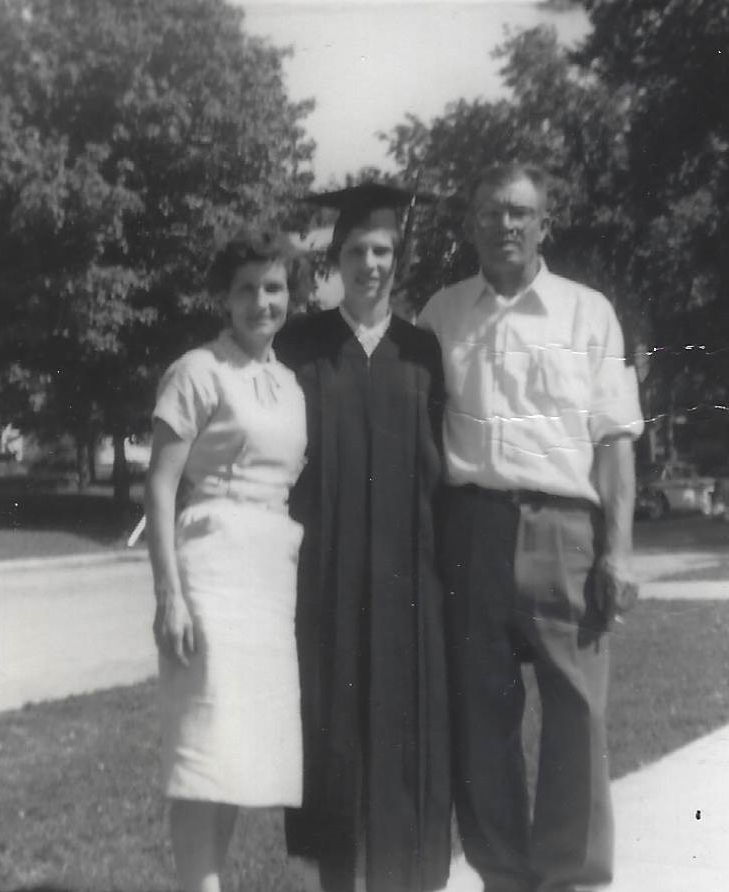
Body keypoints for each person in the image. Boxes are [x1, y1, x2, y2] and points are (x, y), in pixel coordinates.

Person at [418, 163, 644, 892]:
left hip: (564, 534)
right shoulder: (441, 315)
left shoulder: (588, 313)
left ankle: (570, 879)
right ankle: (504, 877)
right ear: (471, 226)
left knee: (578, 718)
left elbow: (615, 443)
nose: (505, 225)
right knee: (482, 722)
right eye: (489, 212)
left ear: (546, 223)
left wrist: (620, 551)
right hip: (471, 533)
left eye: (519, 212)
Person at [276, 183, 452, 892]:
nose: (370, 263)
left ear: (398, 258)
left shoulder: (423, 351)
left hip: (411, 583)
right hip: (324, 579)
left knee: (406, 739)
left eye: (382, 250)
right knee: (334, 738)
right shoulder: (299, 346)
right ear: (335, 258)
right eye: (356, 250)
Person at [145, 230, 309, 892]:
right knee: (204, 748)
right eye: (246, 289)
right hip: (211, 565)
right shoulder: (196, 370)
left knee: (239, 754)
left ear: (289, 296)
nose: (260, 302)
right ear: (224, 297)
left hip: (271, 573)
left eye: (273, 288)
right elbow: (160, 486)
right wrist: (170, 594)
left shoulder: (290, 383)